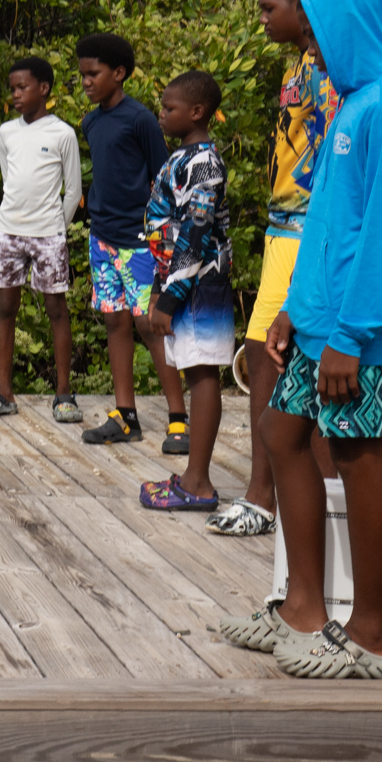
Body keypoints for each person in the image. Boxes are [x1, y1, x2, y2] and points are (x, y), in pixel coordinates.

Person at [218, 0, 382, 679]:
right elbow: (326, 225)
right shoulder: (353, 104)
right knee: (283, 434)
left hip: (356, 332)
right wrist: (291, 314)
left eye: (318, 27)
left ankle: (375, 632)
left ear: (354, 25)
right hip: (316, 321)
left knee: (358, 456)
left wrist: (349, 333)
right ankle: (301, 606)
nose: (312, 41)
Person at [210, 0, 339, 538]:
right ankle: (266, 495)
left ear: (303, 8)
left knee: (285, 354)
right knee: (264, 352)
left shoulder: (331, 69)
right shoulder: (298, 66)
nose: (262, 18)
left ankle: (288, 497)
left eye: (269, 8)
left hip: (311, 226)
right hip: (282, 225)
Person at [74, 32, 181, 444]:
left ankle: (177, 417)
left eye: (93, 73)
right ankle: (125, 416)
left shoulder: (140, 120)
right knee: (114, 321)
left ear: (118, 74)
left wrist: (161, 238)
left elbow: (162, 178)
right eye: (82, 74)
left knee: (149, 325)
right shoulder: (91, 121)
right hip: (102, 238)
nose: (85, 81)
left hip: (139, 240)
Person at [139, 71, 236, 507]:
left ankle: (199, 482)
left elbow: (196, 233)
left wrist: (172, 296)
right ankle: (192, 476)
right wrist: (161, 289)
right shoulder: (181, 156)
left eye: (169, 108)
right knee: (194, 371)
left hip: (199, 285)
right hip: (179, 281)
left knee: (202, 374)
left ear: (197, 112)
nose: (161, 114)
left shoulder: (205, 164)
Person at [0, 56, 83, 423]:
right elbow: (9, 179)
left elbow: (73, 191)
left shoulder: (62, 133)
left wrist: (56, 228)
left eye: (23, 87)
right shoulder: (7, 132)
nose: (16, 95)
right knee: (5, 307)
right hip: (9, 231)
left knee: (56, 310)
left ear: (44, 89)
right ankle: (4, 394)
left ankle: (64, 394)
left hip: (48, 235)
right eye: (13, 89)